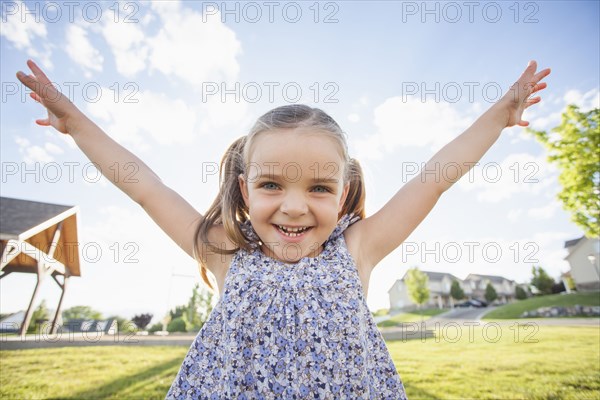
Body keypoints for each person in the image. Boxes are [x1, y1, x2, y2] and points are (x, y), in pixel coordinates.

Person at [17, 59, 550, 399]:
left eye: (319, 189)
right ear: (245, 191)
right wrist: (78, 126)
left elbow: (434, 180)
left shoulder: (356, 251)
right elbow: (146, 187)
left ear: (342, 197)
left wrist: (498, 117)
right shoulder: (225, 254)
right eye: (272, 185)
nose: (294, 207)